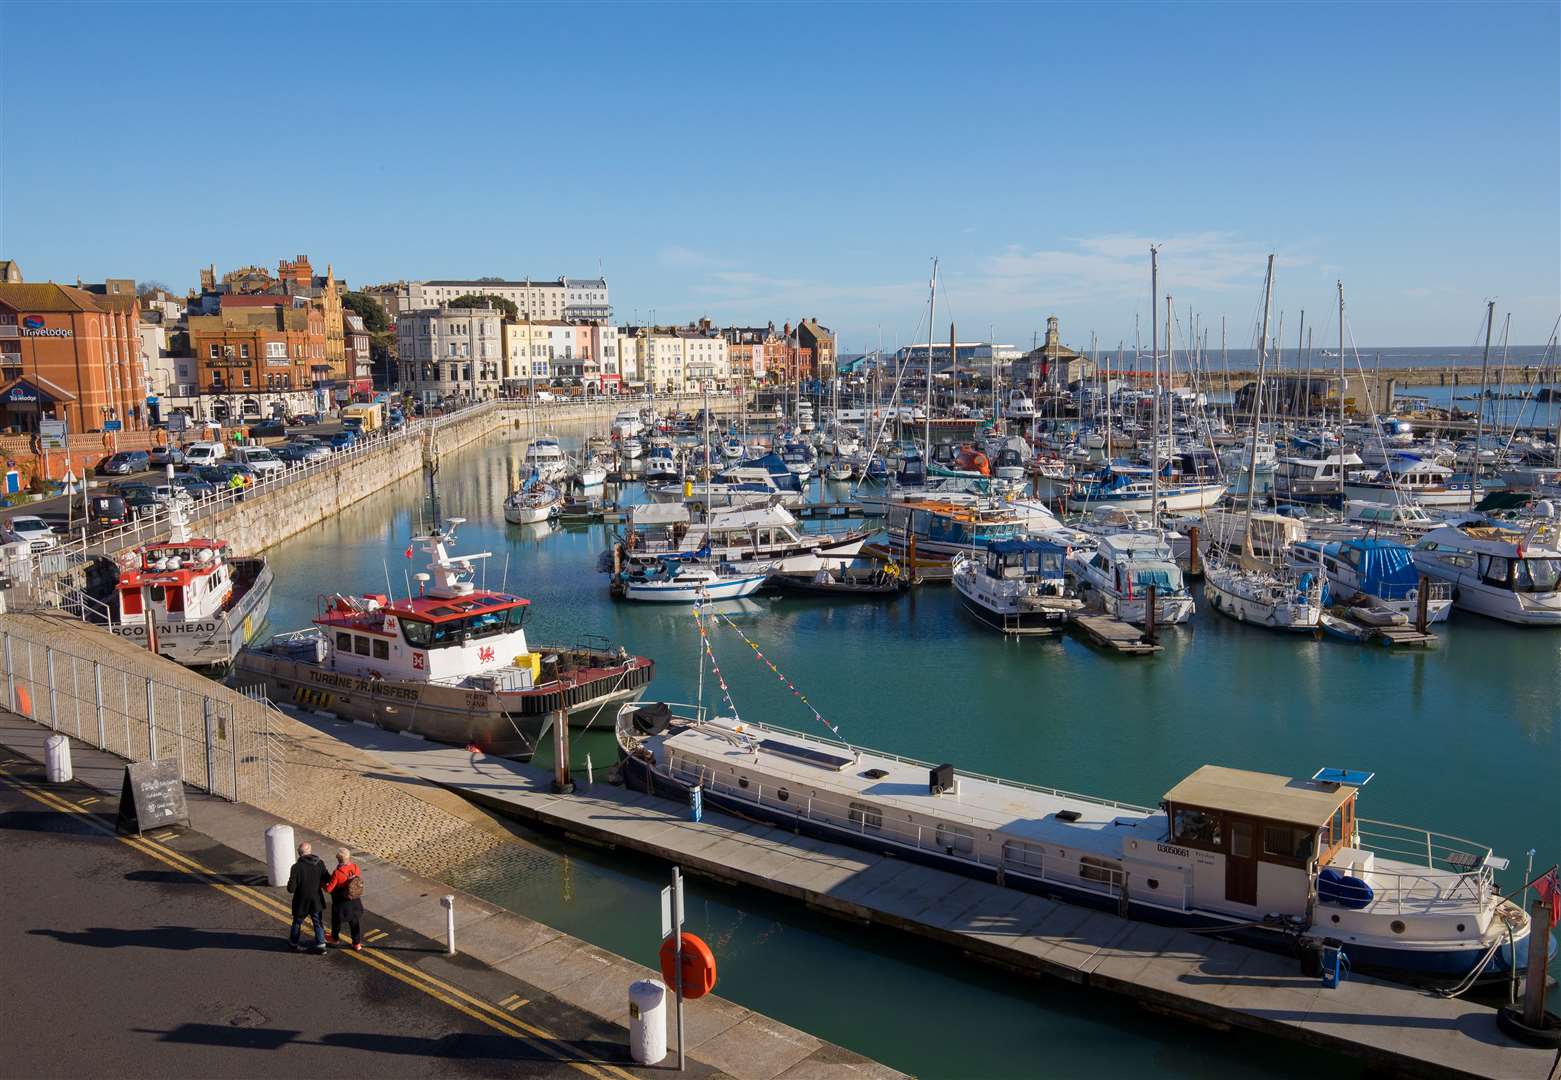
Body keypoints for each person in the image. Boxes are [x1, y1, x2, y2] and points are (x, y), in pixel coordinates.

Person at [285, 841, 328, 953]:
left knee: (297, 922)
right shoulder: (320, 863)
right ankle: (321, 945)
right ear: (310, 851)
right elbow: (327, 879)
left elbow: (291, 889)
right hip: (316, 900)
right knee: (318, 922)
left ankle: (293, 944)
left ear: (299, 853)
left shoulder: (296, 867)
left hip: (301, 901)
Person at [323, 847, 365, 951]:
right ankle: (356, 943)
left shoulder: (337, 873)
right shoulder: (355, 867)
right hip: (355, 900)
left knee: (336, 920)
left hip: (342, 902)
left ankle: (334, 938)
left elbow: (329, 889)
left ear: (338, 859)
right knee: (354, 922)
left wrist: (323, 885)